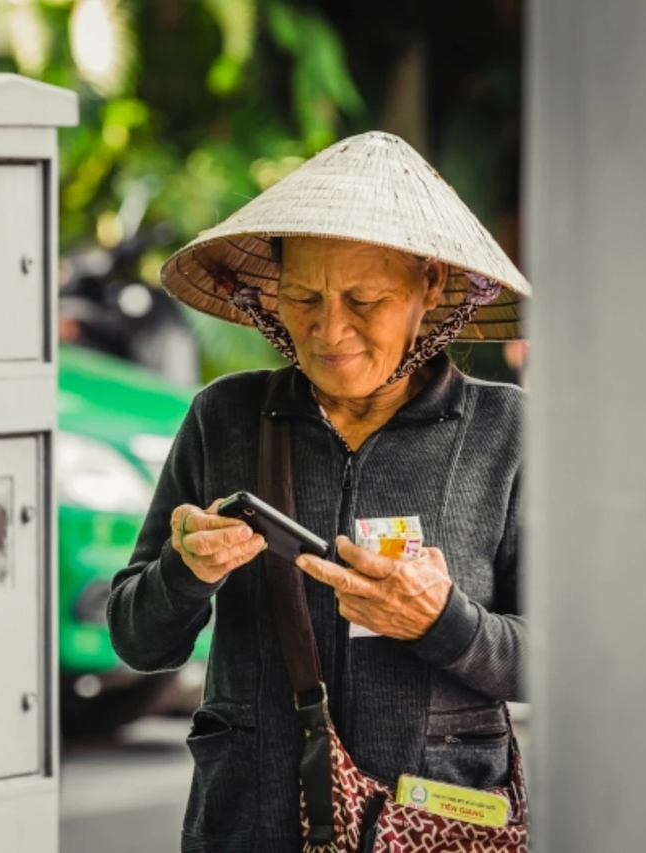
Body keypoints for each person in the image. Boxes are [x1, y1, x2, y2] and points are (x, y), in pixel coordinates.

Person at [107, 131, 530, 851]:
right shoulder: (225, 417)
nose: (330, 329)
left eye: (365, 300)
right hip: (249, 824)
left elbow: (565, 661)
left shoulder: (506, 430)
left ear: (429, 287)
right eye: (305, 296)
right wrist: (187, 571)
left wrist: (442, 622)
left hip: (436, 825)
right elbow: (137, 639)